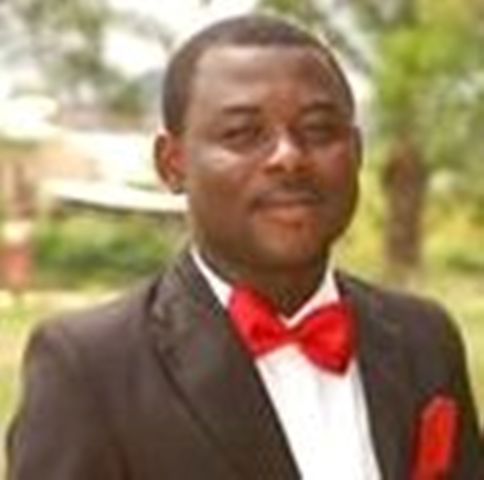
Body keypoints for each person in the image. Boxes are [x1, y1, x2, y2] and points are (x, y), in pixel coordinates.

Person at [6, 14, 482, 480]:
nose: (289, 157)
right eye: (241, 134)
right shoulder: (90, 369)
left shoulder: (423, 338)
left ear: (355, 151)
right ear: (172, 164)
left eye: (318, 130)